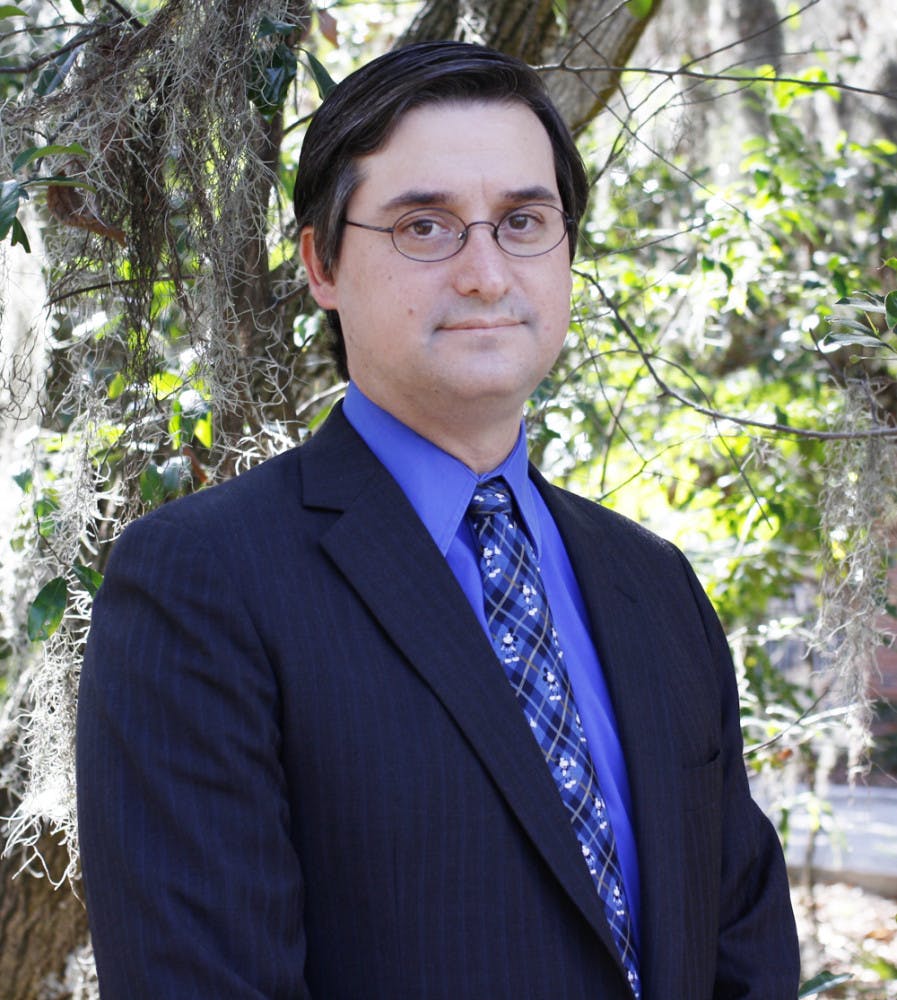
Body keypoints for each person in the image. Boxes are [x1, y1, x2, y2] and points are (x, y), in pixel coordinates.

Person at [76, 41, 800, 999]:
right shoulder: (201, 582)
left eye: (523, 221)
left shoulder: (652, 581)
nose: (485, 273)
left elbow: (740, 938)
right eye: (425, 226)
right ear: (322, 263)